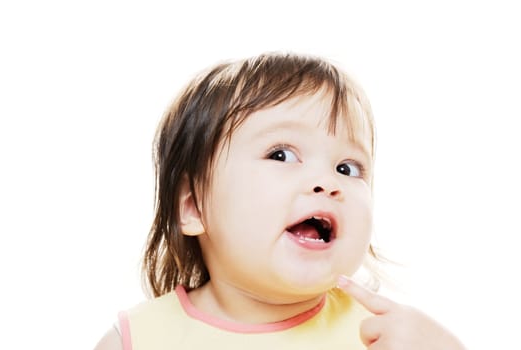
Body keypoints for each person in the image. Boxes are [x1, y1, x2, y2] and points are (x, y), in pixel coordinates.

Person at [95, 52, 466, 349]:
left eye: (348, 168)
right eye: (282, 155)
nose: (327, 183)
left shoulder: (379, 334)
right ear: (193, 207)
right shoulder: (138, 340)